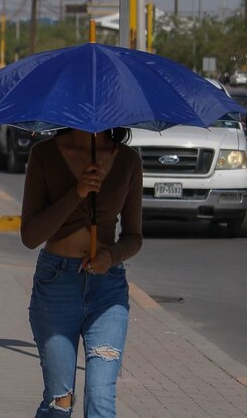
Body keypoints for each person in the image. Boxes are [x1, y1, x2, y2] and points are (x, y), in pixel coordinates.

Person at [20, 128, 143, 417]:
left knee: (100, 397)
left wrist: (110, 256)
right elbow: (30, 236)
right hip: (57, 283)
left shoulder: (128, 160)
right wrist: (77, 192)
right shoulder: (44, 154)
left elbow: (134, 237)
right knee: (59, 402)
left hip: (107, 290)